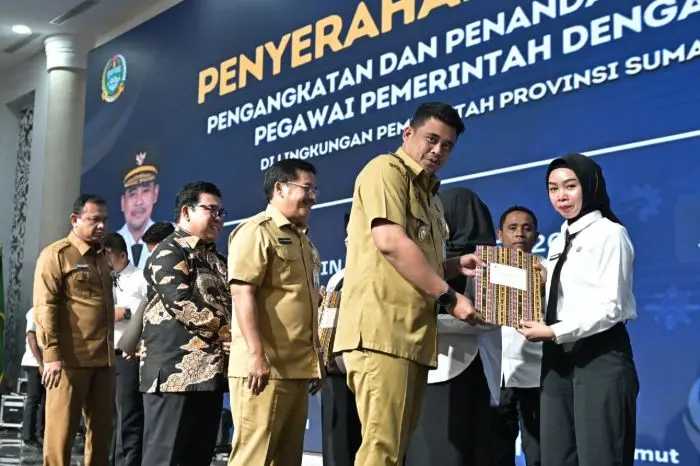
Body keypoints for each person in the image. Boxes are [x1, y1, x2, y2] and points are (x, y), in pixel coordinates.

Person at [333, 102, 486, 465]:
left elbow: (418, 263)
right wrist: (451, 298)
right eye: (431, 139)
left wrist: (453, 265)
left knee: (393, 449)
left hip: (412, 336)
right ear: (408, 133)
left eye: (447, 145)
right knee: (382, 450)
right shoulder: (385, 170)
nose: (437, 151)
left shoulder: (432, 197)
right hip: (382, 333)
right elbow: (390, 242)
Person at [520, 154, 639, 466]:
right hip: (557, 357)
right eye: (553, 188)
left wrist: (553, 331)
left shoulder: (610, 233)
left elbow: (611, 306)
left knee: (601, 456)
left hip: (600, 355)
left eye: (570, 186)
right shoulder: (560, 239)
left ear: (589, 185)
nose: (561, 196)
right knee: (557, 455)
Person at [227, 159, 324, 466]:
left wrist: (316, 354)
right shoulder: (256, 231)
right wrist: (256, 355)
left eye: (315, 190)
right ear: (280, 188)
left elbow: (304, 303)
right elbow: (242, 292)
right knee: (253, 459)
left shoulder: (304, 241)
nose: (313, 197)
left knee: (287, 460)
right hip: (263, 370)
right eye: (307, 188)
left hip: (297, 368)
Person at [405, 186, 501, 466]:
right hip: (430, 369)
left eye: (444, 215)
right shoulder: (430, 261)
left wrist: (429, 320)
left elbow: (489, 318)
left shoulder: (489, 261)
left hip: (470, 368)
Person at [140, 181, 231, 466]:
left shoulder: (217, 259)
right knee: (164, 460)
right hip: (174, 377)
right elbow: (182, 303)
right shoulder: (169, 250)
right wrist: (230, 334)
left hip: (210, 376)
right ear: (186, 212)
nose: (218, 218)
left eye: (221, 212)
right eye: (210, 210)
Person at [33, 194, 115, 466]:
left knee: (102, 435)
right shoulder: (57, 255)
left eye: (104, 220)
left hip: (103, 360)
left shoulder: (102, 257)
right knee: (61, 435)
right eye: (94, 220)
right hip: (69, 361)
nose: (101, 226)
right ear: (75, 220)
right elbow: (45, 306)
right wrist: (51, 355)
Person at [492, 206, 543, 466]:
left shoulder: (548, 272)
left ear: (537, 236)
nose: (520, 233)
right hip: (497, 376)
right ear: (500, 234)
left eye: (527, 228)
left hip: (536, 374)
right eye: (512, 228)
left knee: (540, 454)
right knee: (496, 453)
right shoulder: (485, 272)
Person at [320, 213, 361, 466]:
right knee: (339, 448)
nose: (349, 240)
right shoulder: (338, 278)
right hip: (337, 372)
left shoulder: (387, 275)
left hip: (370, 371)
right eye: (347, 235)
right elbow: (328, 323)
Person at [102, 232, 147, 466]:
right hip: (102, 356)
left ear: (122, 255)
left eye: (108, 256)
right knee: (105, 417)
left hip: (128, 356)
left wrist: (125, 313)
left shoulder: (140, 278)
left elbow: (146, 312)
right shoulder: (101, 279)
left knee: (127, 417)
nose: (106, 262)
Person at [117, 146, 160, 269]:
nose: (139, 201)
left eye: (146, 190)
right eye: (132, 193)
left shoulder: (170, 239)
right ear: (123, 202)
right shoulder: (108, 246)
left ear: (155, 193)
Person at [21, 307, 45, 450]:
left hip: (44, 363)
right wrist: (40, 363)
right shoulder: (34, 311)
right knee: (34, 399)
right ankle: (28, 437)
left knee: (45, 401)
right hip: (33, 362)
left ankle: (40, 433)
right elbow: (31, 337)